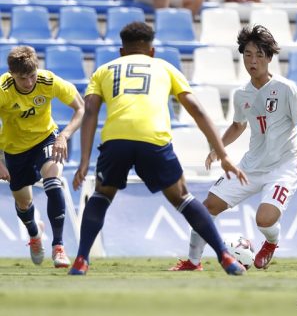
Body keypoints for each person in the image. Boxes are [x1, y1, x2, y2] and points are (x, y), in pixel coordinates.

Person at [68, 21, 248, 276]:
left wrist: (84, 161)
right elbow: (196, 110)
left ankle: (81, 260)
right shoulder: (164, 67)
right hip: (153, 139)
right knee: (182, 197)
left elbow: (90, 113)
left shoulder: (104, 70)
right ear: (151, 51)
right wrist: (224, 153)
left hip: (116, 140)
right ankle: (226, 257)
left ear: (122, 51)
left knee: (102, 195)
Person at [169, 25, 297, 272]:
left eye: (260, 55)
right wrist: (218, 148)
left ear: (270, 58)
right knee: (207, 207)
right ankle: (193, 262)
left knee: (264, 220)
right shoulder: (242, 95)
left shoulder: (286, 89)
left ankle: (271, 243)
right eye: (248, 54)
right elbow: (238, 125)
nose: (253, 60)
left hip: (284, 166)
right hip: (251, 166)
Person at [0, 46, 84, 267]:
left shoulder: (49, 81)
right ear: (12, 75)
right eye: (22, 78)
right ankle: (35, 234)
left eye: (32, 76)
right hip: (14, 149)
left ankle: (59, 247)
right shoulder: (2, 89)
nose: (29, 83)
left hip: (46, 138)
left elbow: (81, 108)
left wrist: (64, 136)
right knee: (24, 202)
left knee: (53, 177)